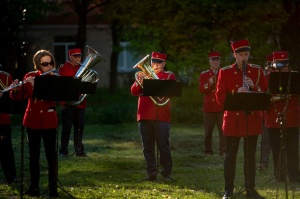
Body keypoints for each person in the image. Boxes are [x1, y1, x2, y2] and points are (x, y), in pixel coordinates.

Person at [215, 39, 267, 199]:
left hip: (251, 118)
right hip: (233, 120)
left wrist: (254, 87)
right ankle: (228, 190)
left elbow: (265, 93)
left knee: (250, 156)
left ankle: (250, 189)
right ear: (234, 55)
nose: (244, 58)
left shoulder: (257, 71)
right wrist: (235, 92)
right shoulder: (225, 71)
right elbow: (219, 97)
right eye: (241, 55)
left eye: (246, 54)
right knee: (230, 156)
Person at [10, 50, 58, 197]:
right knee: (33, 156)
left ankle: (53, 189)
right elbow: (16, 97)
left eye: (51, 63)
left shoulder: (56, 78)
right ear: (38, 65)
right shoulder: (30, 77)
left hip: (50, 121)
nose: (49, 66)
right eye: (45, 64)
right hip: (32, 120)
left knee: (52, 156)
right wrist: (17, 87)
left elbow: (59, 99)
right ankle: (34, 187)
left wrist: (38, 85)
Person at [131, 52, 176, 181]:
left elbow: (172, 91)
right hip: (144, 115)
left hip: (161, 115)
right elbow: (134, 92)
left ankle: (166, 173)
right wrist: (139, 82)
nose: (155, 65)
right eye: (153, 62)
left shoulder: (168, 76)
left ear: (164, 64)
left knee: (163, 146)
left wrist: (153, 81)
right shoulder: (141, 75)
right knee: (147, 147)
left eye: (159, 62)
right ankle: (151, 173)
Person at [264, 51, 300, 183]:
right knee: (277, 150)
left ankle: (295, 176)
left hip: (292, 118)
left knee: (293, 149)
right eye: (280, 64)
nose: (283, 67)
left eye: (285, 63)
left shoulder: (294, 77)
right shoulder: (267, 78)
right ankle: (280, 175)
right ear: (274, 64)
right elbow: (264, 99)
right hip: (274, 119)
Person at [59, 48, 87, 157]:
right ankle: (63, 151)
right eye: (75, 56)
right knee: (66, 128)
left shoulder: (83, 68)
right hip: (67, 103)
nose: (78, 58)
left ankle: (79, 150)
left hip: (80, 103)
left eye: (79, 56)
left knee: (80, 127)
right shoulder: (63, 68)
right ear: (70, 56)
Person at [199, 51, 226, 157]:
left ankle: (223, 150)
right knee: (208, 131)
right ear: (209, 62)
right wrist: (208, 83)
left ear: (220, 61)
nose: (215, 62)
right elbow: (201, 89)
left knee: (223, 131)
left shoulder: (224, 72)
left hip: (221, 105)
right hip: (209, 106)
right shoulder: (204, 74)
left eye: (217, 60)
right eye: (213, 60)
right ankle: (208, 151)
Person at [0, 70, 18, 184]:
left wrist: (15, 89)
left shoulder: (5, 77)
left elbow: (12, 99)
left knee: (6, 149)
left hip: (2, 118)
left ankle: (11, 176)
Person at [260, 54, 273, 170]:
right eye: (268, 64)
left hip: (276, 112)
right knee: (265, 140)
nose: (270, 67)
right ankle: (264, 163)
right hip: (266, 113)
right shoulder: (263, 77)